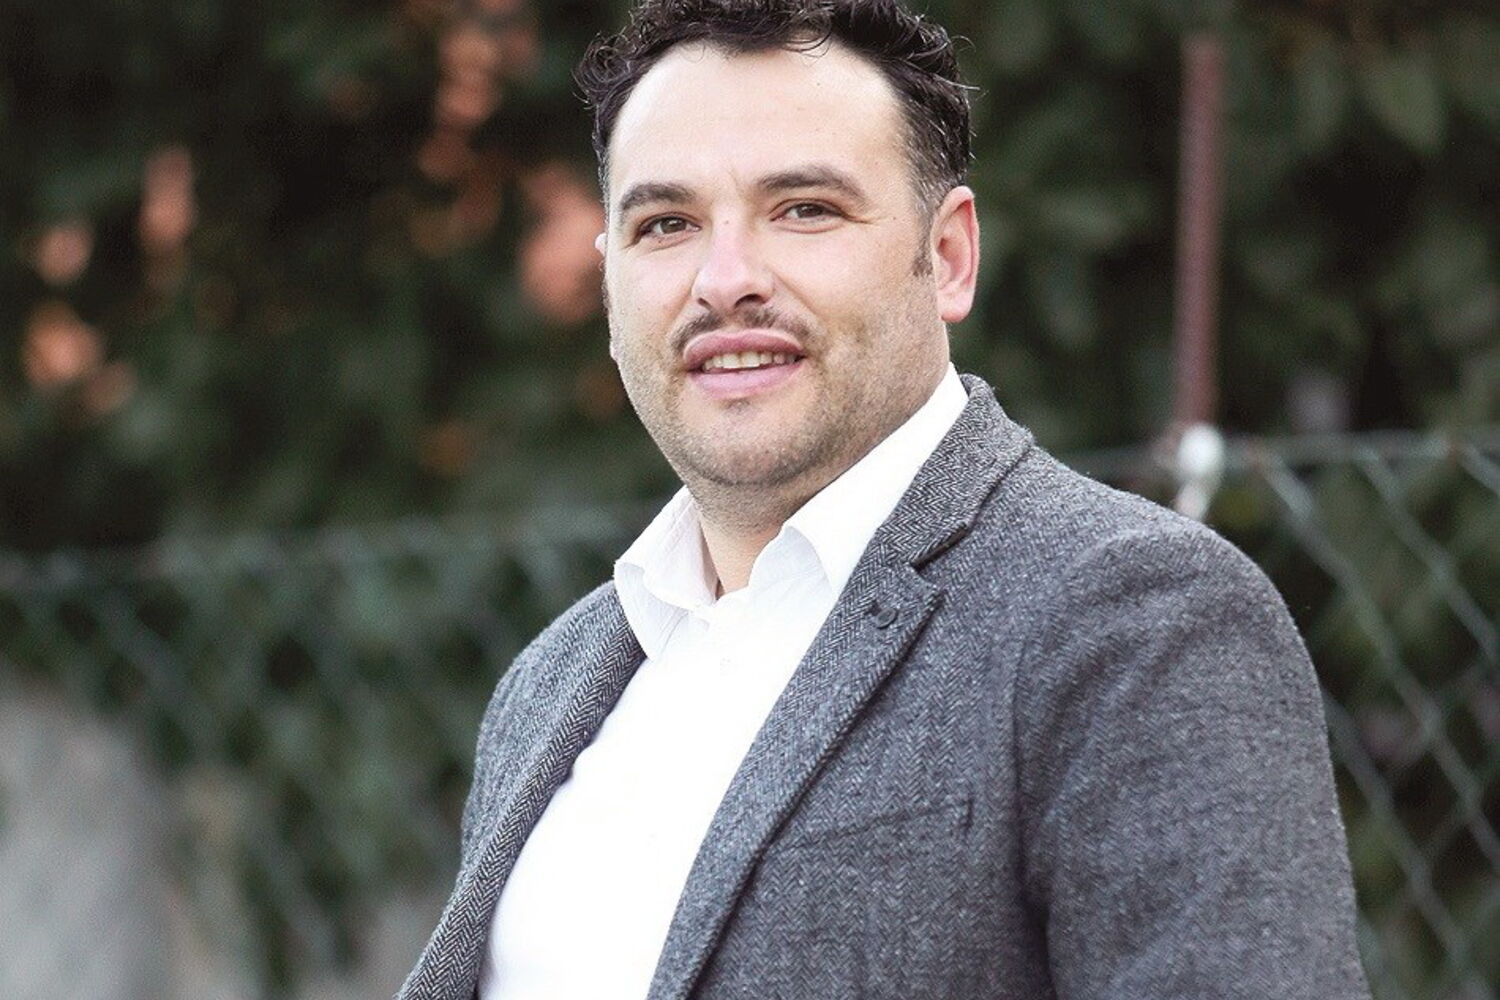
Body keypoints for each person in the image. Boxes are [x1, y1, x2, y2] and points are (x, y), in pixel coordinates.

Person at [399, 1, 1371, 997]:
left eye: (805, 209)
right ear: (612, 289)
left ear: (948, 257)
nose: (725, 281)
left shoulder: (1133, 618)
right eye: (667, 224)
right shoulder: (547, 683)